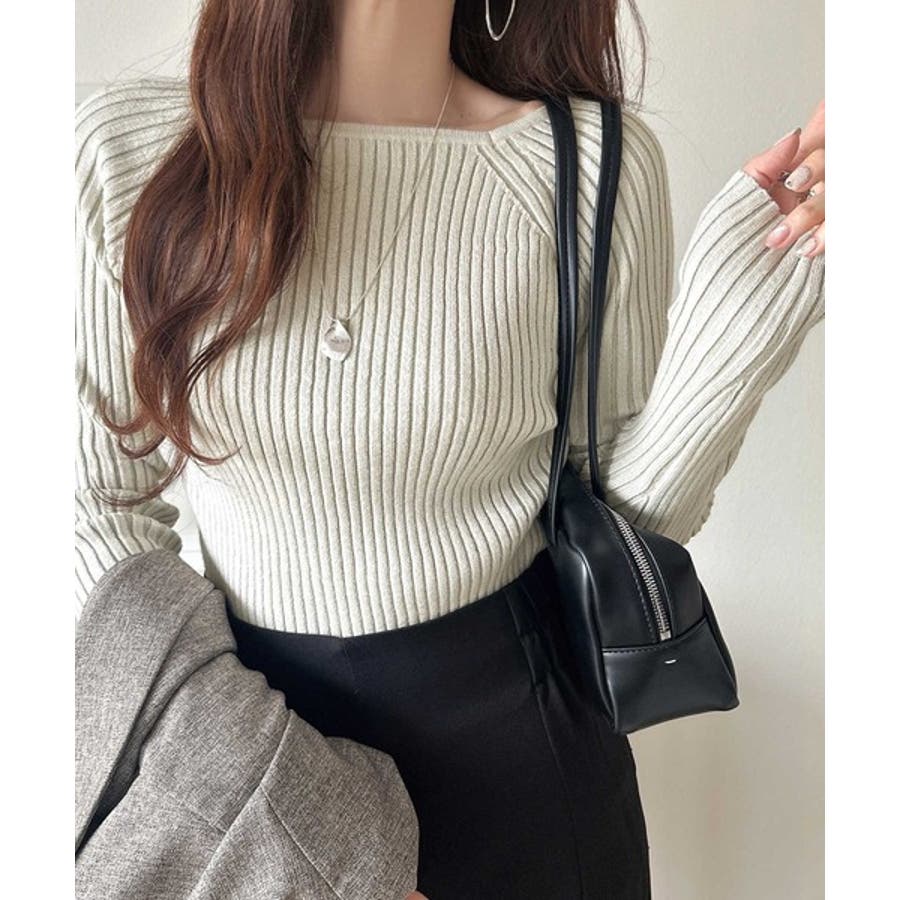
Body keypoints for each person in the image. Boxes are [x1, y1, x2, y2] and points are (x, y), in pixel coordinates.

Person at [74, 1, 825, 897]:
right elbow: (91, 523)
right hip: (238, 782)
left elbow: (610, 525)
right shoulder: (130, 154)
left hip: (529, 787)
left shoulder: (588, 165)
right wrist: (305, 842)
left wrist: (735, 333)